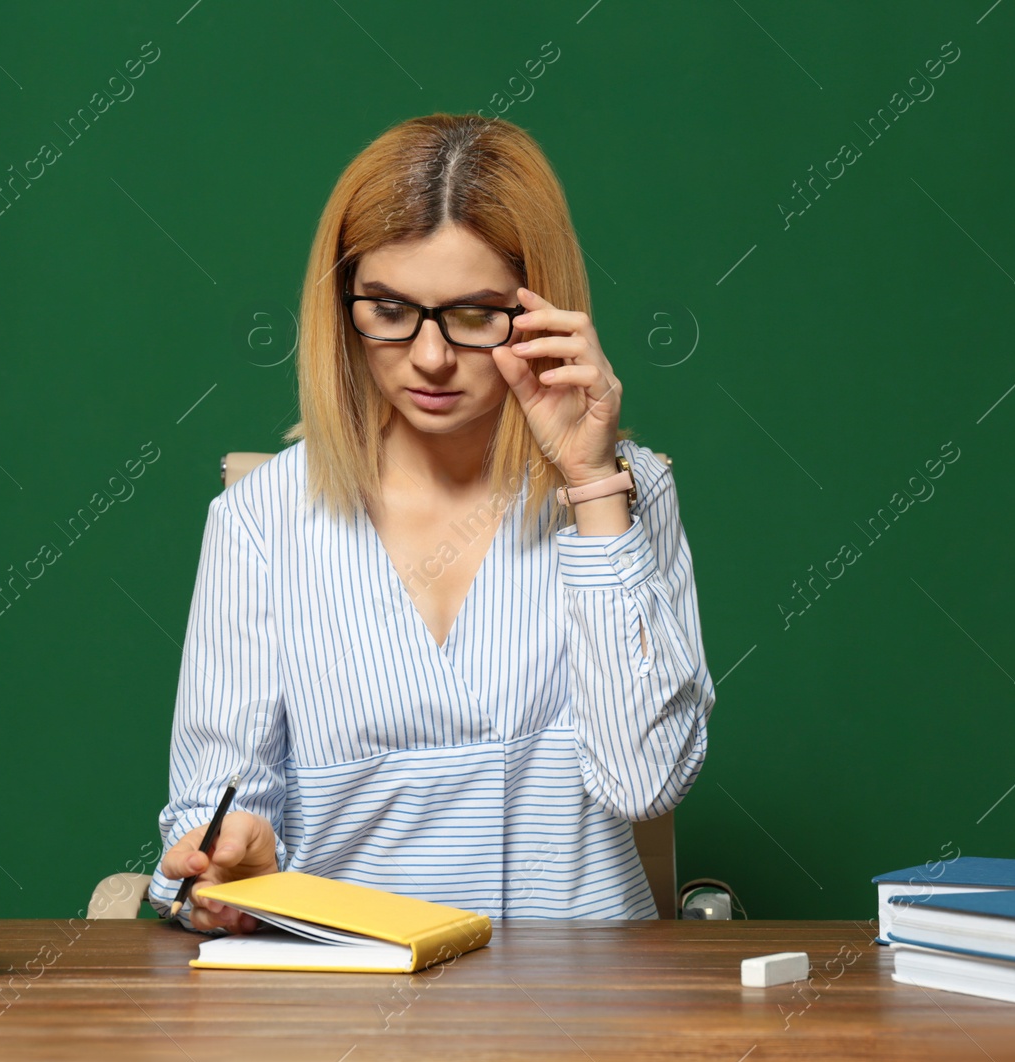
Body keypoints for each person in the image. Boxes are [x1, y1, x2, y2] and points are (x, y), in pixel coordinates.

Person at [151, 112, 715, 933]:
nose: (429, 358)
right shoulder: (258, 520)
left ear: (541, 310)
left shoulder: (626, 493)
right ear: (342, 307)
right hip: (347, 1003)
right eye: (388, 308)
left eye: (475, 314)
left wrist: (591, 482)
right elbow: (210, 812)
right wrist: (228, 866)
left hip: (582, 1007)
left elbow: (644, 782)